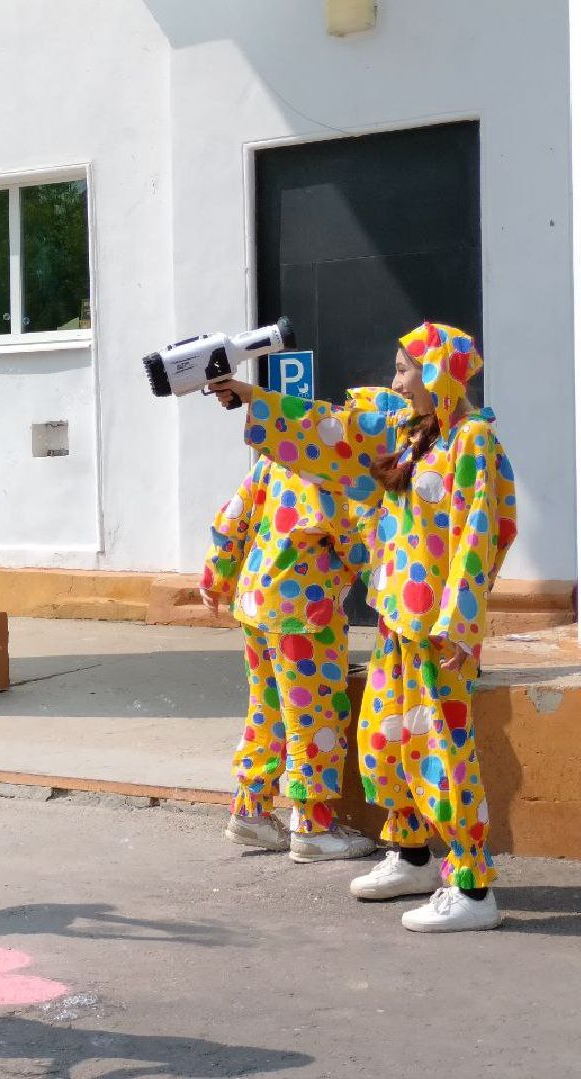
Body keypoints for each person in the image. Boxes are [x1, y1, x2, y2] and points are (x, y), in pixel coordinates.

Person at [215, 321, 517, 932]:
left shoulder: (472, 444)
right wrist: (251, 398)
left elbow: (482, 536)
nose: (396, 380)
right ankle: (407, 853)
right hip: (395, 622)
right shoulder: (408, 436)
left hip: (437, 630)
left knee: (442, 748)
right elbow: (339, 428)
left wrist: (460, 624)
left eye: (406, 369)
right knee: (385, 737)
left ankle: (471, 884)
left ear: (438, 378)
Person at [201, 457, 376, 862]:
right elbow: (358, 542)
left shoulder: (275, 458)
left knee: (268, 709)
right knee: (315, 717)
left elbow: (232, 519)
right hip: (304, 613)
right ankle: (312, 826)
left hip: (256, 602)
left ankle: (250, 809)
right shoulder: (337, 469)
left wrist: (216, 577)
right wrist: (396, 594)